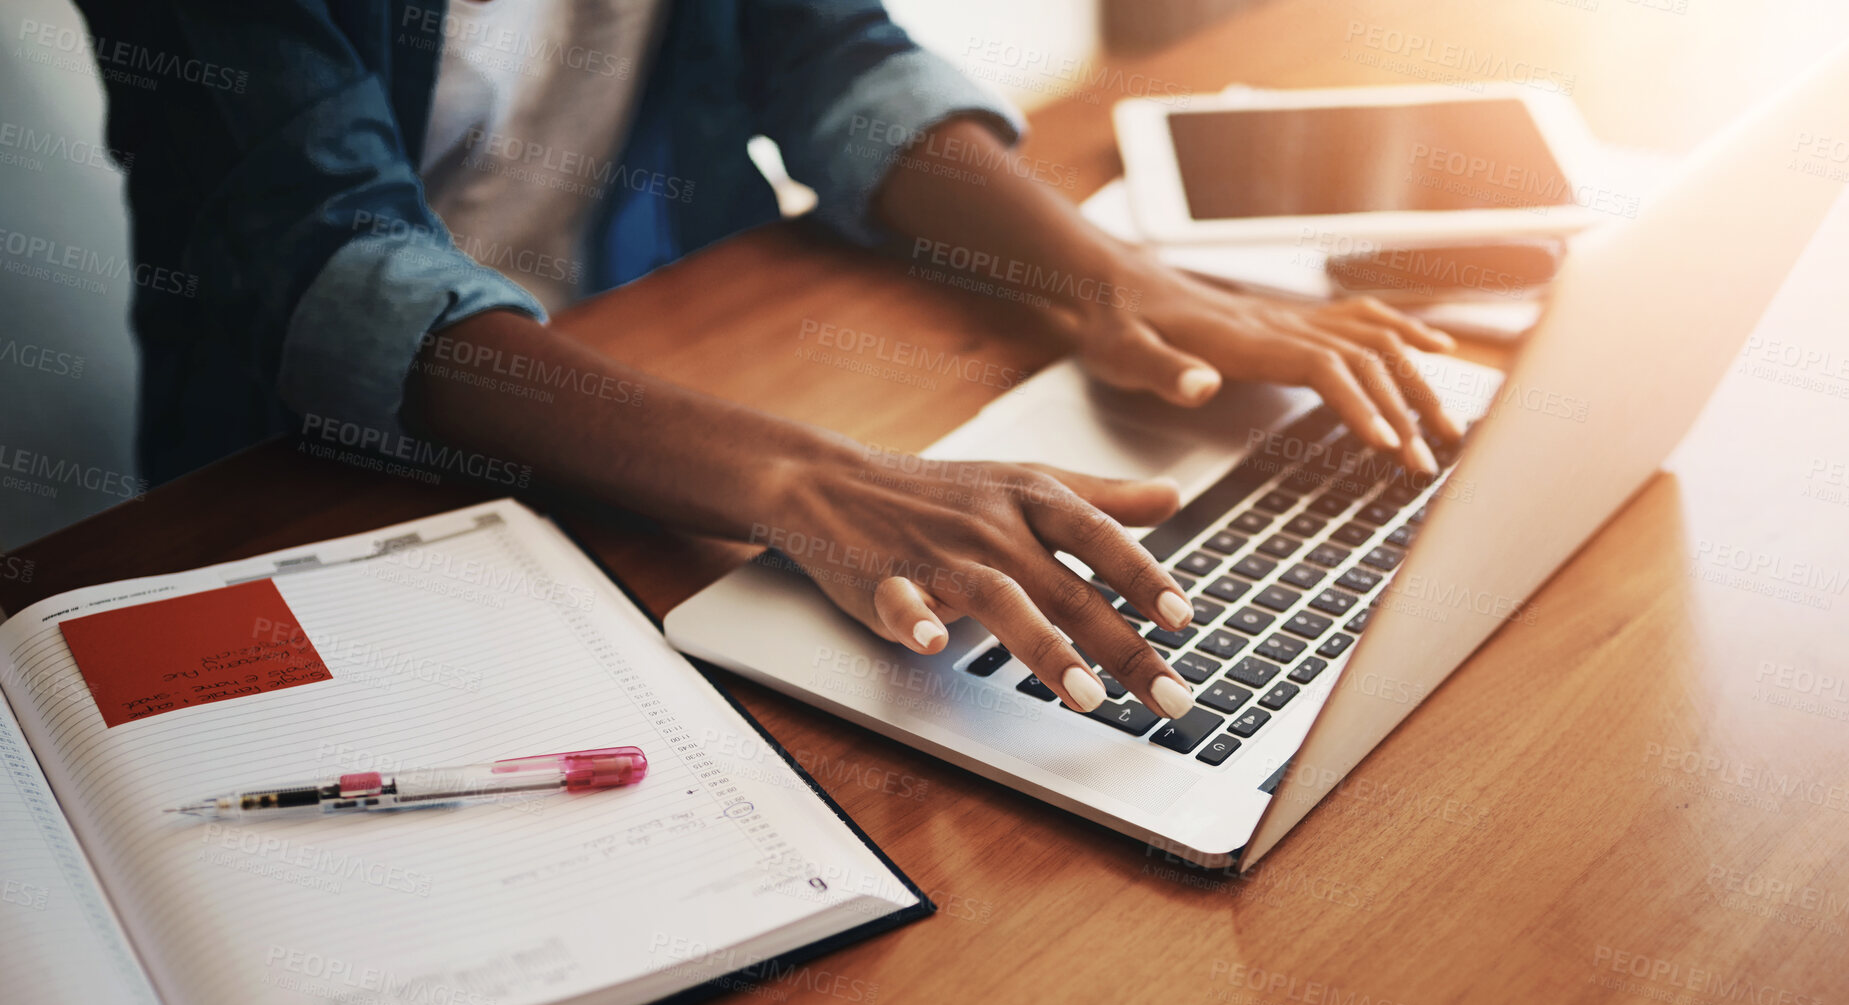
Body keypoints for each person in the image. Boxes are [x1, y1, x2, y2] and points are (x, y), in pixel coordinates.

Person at [76, 0, 1461, 724]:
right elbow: (326, 268)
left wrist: (1104, 278)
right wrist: (803, 478)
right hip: (324, 474)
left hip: (679, 370)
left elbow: (830, 53)